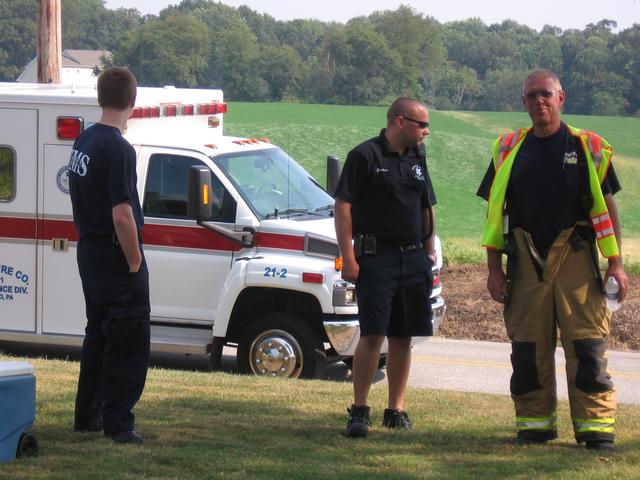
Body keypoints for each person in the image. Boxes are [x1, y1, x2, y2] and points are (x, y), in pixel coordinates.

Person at [477, 69, 629, 451]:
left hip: (577, 256)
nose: (539, 101)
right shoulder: (507, 149)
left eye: (546, 94)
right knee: (527, 348)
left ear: (562, 98)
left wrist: (615, 263)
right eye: (531, 96)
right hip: (525, 258)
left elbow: (608, 209)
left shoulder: (588, 147)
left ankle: (596, 430)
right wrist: (494, 270)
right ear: (523, 102)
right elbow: (494, 214)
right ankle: (534, 427)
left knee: (588, 346)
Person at [334, 97, 437, 438]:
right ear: (399, 122)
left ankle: (396, 410)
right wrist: (348, 256)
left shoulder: (418, 158)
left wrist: (427, 249)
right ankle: (359, 410)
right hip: (377, 258)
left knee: (402, 336)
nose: (426, 131)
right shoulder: (365, 156)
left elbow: (426, 205)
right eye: (421, 124)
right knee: (373, 334)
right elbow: (343, 205)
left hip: (412, 259)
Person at [69, 67, 150, 445]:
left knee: (98, 336)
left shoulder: (85, 140)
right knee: (128, 340)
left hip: (89, 251)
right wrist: (134, 261)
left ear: (101, 97)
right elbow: (122, 213)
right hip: (115, 256)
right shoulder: (119, 148)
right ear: (132, 102)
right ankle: (119, 423)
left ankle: (88, 415)